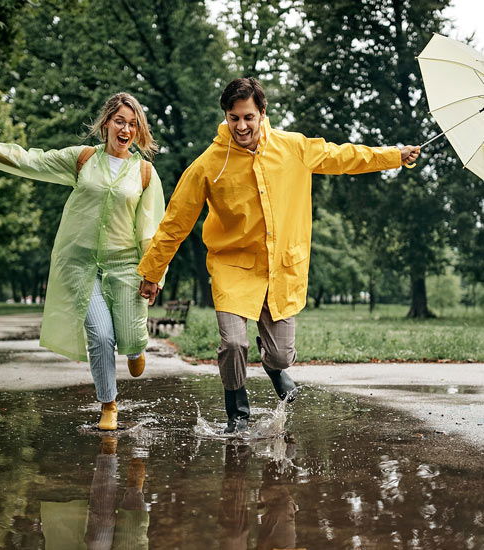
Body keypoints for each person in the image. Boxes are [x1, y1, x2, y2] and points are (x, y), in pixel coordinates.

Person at [138, 77, 420, 434]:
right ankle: (237, 411)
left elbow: (344, 156)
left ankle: (274, 369)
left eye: (248, 117)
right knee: (233, 343)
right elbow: (175, 222)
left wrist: (394, 155)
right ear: (225, 116)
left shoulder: (293, 147)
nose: (241, 126)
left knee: (281, 355)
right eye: (233, 117)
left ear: (262, 114)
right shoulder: (209, 164)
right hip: (232, 265)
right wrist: (152, 273)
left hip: (280, 266)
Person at [0, 93, 166, 431]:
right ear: (106, 123)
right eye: (120, 121)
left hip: (125, 266)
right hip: (81, 265)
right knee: (101, 335)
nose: (126, 129)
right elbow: (31, 160)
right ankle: (109, 404)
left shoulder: (145, 173)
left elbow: (152, 232)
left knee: (130, 337)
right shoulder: (83, 159)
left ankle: (135, 349)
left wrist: (154, 275)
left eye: (133, 124)